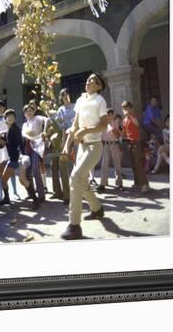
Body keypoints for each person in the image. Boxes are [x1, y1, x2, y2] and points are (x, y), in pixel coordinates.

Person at [60, 73, 108, 241]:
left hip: (94, 146)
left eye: (93, 81)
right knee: (81, 180)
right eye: (88, 79)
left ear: (99, 86)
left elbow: (104, 125)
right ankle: (97, 208)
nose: (89, 82)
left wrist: (86, 130)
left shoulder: (100, 101)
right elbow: (74, 125)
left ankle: (74, 225)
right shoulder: (80, 100)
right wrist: (67, 146)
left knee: (75, 178)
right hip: (81, 147)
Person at [21, 103, 48, 208]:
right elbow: (23, 134)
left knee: (36, 170)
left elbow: (47, 120)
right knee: (27, 172)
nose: (29, 112)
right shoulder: (24, 124)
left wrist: (44, 131)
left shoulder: (37, 118)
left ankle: (41, 194)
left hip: (37, 148)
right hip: (27, 149)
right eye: (27, 111)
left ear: (34, 111)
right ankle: (31, 193)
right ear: (24, 114)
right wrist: (29, 136)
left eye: (30, 110)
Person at [0, 109, 26, 205]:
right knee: (22, 180)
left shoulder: (16, 129)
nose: (10, 118)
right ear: (5, 119)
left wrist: (21, 155)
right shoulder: (6, 131)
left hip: (16, 159)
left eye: (12, 116)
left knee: (23, 180)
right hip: (13, 159)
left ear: (14, 118)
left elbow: (20, 143)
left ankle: (34, 198)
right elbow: (1, 145)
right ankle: (7, 198)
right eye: (8, 116)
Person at [121, 100, 150, 192]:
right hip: (129, 142)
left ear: (130, 108)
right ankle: (137, 183)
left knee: (138, 164)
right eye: (123, 108)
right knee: (133, 164)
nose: (124, 109)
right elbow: (125, 132)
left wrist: (129, 115)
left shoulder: (132, 115)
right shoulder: (124, 119)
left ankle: (145, 184)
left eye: (126, 107)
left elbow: (137, 124)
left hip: (136, 142)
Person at [97, 108, 124, 193]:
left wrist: (114, 129)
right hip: (106, 145)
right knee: (104, 164)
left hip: (114, 144)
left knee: (117, 164)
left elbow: (119, 136)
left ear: (113, 115)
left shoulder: (116, 123)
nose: (108, 116)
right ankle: (103, 184)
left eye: (109, 115)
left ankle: (119, 183)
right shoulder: (104, 124)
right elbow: (101, 136)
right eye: (107, 115)